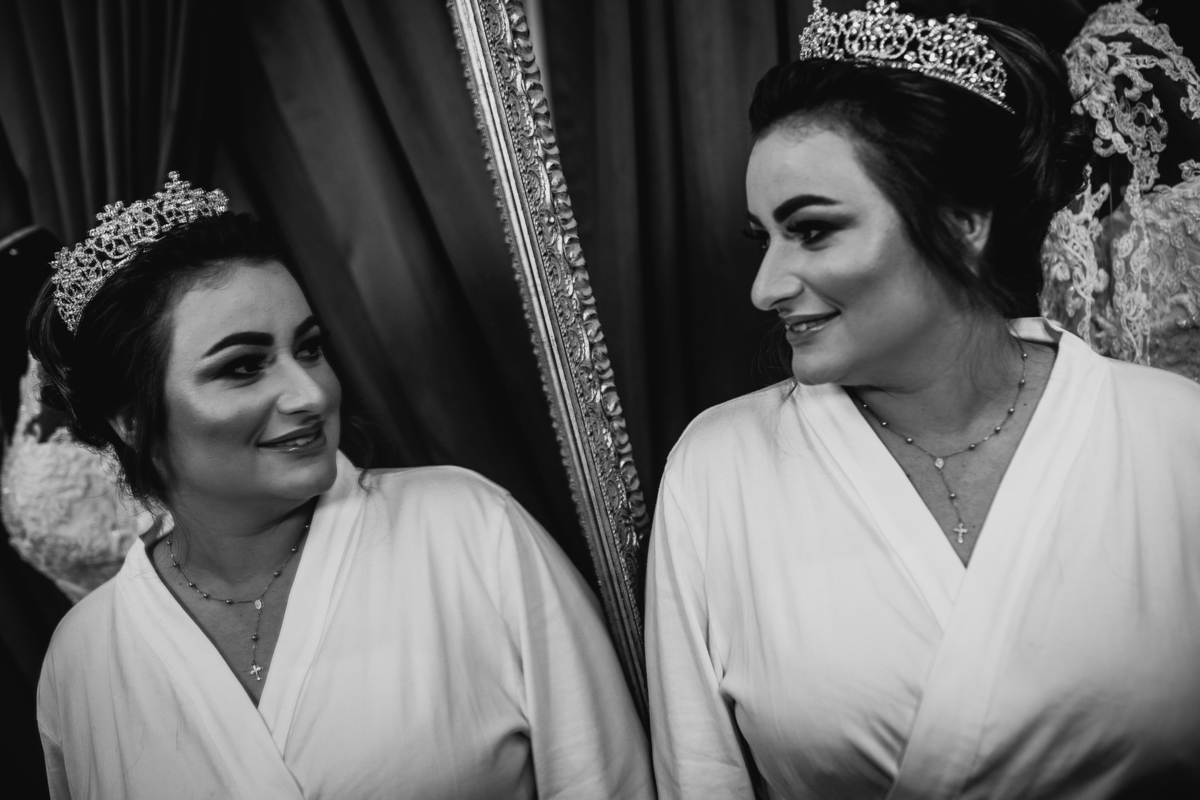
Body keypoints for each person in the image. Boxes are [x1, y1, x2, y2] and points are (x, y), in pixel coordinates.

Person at [645, 2, 1200, 799]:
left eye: (813, 230)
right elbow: (701, 777)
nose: (765, 288)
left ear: (962, 220)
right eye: (762, 238)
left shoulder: (1174, 437)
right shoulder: (720, 468)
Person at [30, 174, 653, 799]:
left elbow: (605, 781)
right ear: (132, 420)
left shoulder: (469, 528)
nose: (310, 394)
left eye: (309, 349)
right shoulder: (82, 658)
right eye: (242, 367)